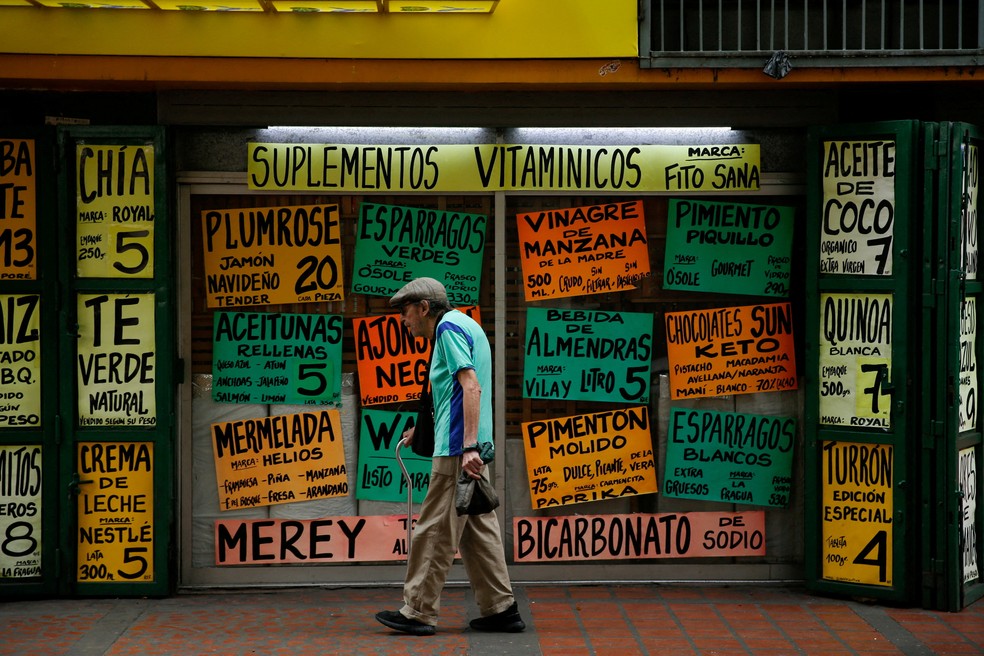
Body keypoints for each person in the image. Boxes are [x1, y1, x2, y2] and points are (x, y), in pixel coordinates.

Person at [375, 277, 525, 637]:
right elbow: (451, 395)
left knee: (435, 531)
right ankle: (500, 609)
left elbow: (469, 385)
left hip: (458, 451)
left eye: (406, 313)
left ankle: (418, 610)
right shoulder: (465, 323)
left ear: (424, 308)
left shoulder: (447, 330)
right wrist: (423, 431)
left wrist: (467, 446)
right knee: (478, 530)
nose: (404, 321)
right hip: (469, 446)